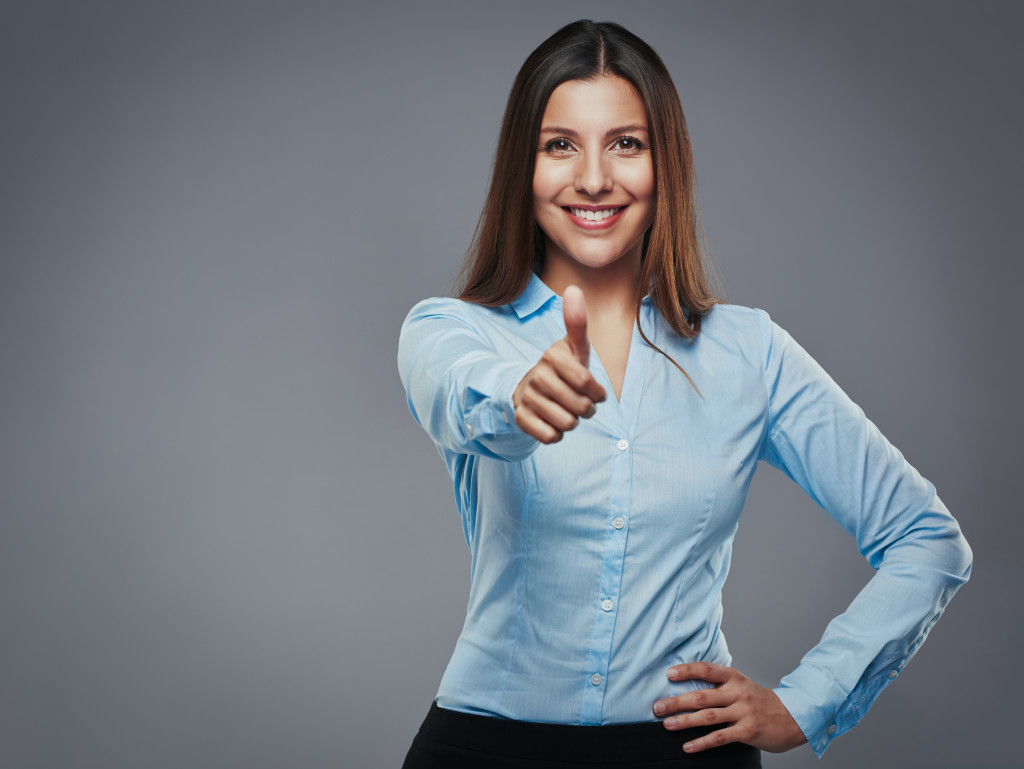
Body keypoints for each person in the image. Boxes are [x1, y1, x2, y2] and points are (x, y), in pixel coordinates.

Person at [397, 19, 971, 769]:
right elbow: (457, 392)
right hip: (487, 746)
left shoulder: (749, 352)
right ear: (522, 167)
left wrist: (808, 702)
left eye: (626, 143)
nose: (595, 177)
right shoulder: (450, 331)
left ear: (665, 163)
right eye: (560, 144)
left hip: (685, 752)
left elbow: (926, 540)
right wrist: (518, 394)